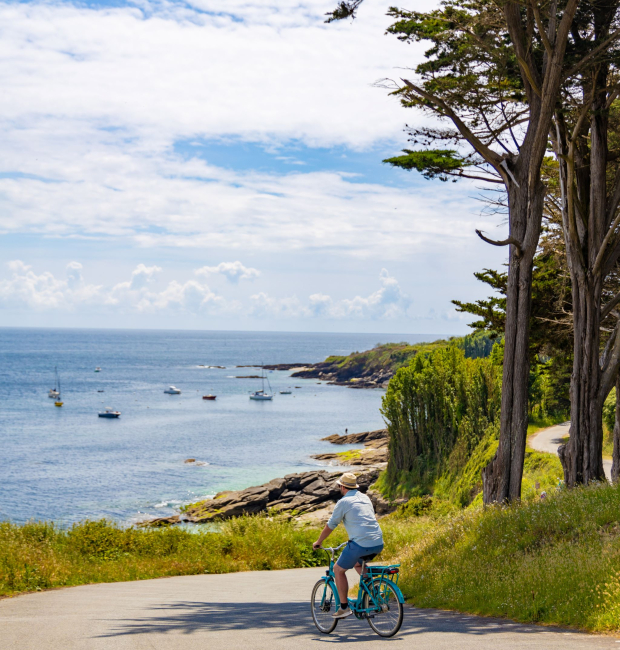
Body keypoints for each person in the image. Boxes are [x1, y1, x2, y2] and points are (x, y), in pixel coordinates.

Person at [313, 472, 384, 619]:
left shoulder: (344, 502)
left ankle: (344, 608)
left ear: (342, 487)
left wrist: (318, 542)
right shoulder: (365, 497)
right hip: (378, 542)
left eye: (339, 486)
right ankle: (373, 593)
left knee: (338, 569)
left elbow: (330, 525)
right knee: (359, 565)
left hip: (360, 543)